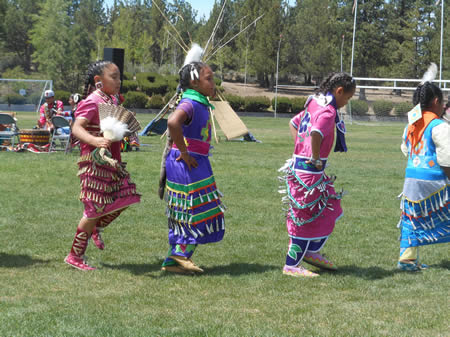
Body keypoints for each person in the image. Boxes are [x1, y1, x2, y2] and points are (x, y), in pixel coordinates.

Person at [64, 60, 141, 271]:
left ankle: (94, 227)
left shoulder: (111, 99)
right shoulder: (92, 101)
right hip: (95, 163)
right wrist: (96, 141)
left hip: (112, 161)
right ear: (98, 81)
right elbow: (76, 128)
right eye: (113, 77)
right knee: (92, 209)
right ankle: (75, 256)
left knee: (126, 198)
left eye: (119, 77)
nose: (119, 81)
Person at [279, 72, 356, 277]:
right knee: (304, 218)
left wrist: (300, 149)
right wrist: (313, 156)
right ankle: (291, 265)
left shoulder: (315, 104)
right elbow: (316, 133)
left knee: (331, 209)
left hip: (305, 170)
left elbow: (294, 123)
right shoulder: (328, 111)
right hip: (309, 173)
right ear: (338, 91)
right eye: (347, 98)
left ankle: (312, 251)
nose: (346, 103)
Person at [161, 45, 225, 274]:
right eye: (209, 79)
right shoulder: (190, 102)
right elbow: (172, 122)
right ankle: (178, 255)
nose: (213, 82)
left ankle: (174, 260)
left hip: (193, 161)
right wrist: (185, 152)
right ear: (195, 82)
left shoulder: (198, 101)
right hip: (186, 161)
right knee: (193, 210)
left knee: (193, 209)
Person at [397, 75, 450, 271]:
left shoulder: (412, 123)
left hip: (411, 179)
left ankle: (406, 260)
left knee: (411, 218)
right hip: (434, 180)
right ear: (436, 102)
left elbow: (405, 149)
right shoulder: (439, 126)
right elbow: (446, 158)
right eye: (442, 102)